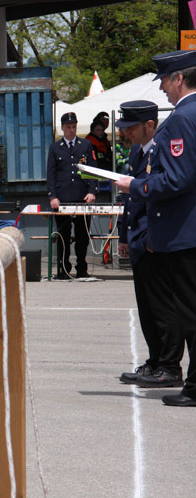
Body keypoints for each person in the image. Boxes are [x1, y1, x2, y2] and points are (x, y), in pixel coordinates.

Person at [115, 50, 196, 407]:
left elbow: (177, 178)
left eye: (164, 80)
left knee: (188, 314)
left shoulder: (182, 118)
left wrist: (135, 186)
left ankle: (191, 384)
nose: (162, 88)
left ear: (179, 79)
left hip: (182, 232)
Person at [114, 101, 175, 386]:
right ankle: (154, 361)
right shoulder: (139, 154)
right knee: (147, 308)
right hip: (139, 238)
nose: (126, 134)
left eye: (131, 128)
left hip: (154, 239)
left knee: (163, 308)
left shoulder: (160, 150)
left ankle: (169, 366)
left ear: (150, 125)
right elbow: (130, 200)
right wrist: (124, 236)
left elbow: (160, 195)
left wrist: (149, 239)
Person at [46, 112, 98, 280]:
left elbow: (92, 171)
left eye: (74, 127)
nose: (71, 130)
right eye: (68, 127)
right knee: (63, 236)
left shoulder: (86, 145)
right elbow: (51, 174)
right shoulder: (55, 148)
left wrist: (91, 191)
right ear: (62, 128)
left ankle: (82, 267)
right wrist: (53, 196)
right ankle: (64, 268)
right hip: (63, 198)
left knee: (83, 235)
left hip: (82, 196)